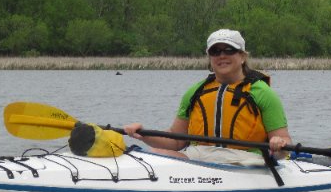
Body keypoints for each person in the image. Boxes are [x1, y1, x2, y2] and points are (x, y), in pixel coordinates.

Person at [124, 29, 292, 166]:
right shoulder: (196, 91)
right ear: (210, 58)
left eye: (229, 50)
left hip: (245, 160)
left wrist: (278, 144)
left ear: (242, 56)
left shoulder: (263, 93)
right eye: (215, 51)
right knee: (153, 155)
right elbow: (176, 141)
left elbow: (284, 144)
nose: (222, 56)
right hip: (198, 157)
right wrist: (143, 134)